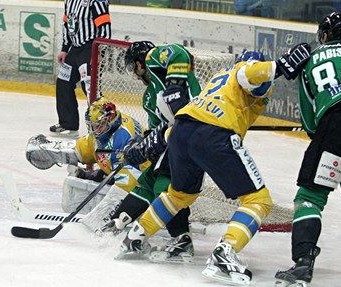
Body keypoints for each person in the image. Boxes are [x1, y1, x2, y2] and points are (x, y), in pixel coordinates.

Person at [119, 43, 311, 285]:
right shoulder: (244, 72)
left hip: (182, 132)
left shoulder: (219, 79)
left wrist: (157, 141)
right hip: (214, 135)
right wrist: (281, 67)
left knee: (179, 196)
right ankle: (226, 252)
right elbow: (249, 73)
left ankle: (136, 236)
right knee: (258, 200)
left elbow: (191, 119)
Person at [275, 13, 341, 285]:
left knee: (310, 194)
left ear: (323, 34)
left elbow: (309, 118)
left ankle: (302, 263)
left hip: (338, 124)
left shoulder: (309, 62)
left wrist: (325, 140)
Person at [92, 40, 202, 263]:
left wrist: (174, 85)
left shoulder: (155, 61)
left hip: (195, 130)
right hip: (174, 138)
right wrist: (141, 146)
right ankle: (119, 220)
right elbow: (155, 130)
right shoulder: (149, 97)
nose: (135, 73)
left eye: (134, 67)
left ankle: (182, 240)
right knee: (148, 180)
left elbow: (180, 53)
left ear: (141, 63)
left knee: (166, 185)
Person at [27, 97, 147, 206]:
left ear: (109, 121)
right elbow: (88, 146)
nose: (94, 130)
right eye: (92, 126)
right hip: (125, 172)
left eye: (97, 126)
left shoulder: (121, 140)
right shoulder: (111, 126)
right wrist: (53, 151)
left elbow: (125, 187)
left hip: (144, 184)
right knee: (92, 166)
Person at [49, 0, 111, 138]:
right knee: (63, 81)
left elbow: (104, 26)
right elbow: (67, 24)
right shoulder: (69, 1)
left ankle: (101, 125)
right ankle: (68, 123)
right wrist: (65, 49)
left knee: (89, 86)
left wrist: (100, 51)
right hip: (75, 49)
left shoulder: (96, 1)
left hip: (90, 48)